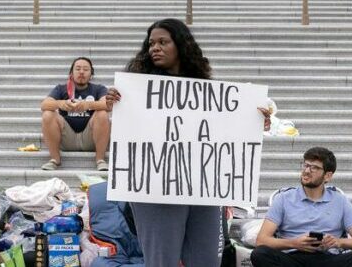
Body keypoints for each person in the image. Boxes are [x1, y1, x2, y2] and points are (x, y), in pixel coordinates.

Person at [105, 18, 271, 267]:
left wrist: (255, 122)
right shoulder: (135, 90)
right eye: (151, 43)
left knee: (206, 261)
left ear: (181, 45)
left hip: (202, 191)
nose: (155, 48)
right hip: (155, 190)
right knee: (162, 262)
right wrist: (116, 106)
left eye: (163, 42)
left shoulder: (208, 91)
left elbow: (227, 132)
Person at [250, 147, 352, 267]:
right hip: (292, 257)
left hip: (328, 258)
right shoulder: (283, 198)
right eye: (305, 165)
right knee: (260, 254)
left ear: (328, 176)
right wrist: (294, 243)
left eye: (314, 168)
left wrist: (338, 242)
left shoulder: (340, 201)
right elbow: (261, 240)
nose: (307, 171)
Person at [40, 57, 111, 171]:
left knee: (102, 113)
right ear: (71, 73)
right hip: (67, 138)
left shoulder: (99, 88)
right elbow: (44, 104)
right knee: (48, 114)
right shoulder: (61, 88)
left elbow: (107, 105)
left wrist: (88, 105)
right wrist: (62, 104)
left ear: (91, 74)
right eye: (78, 69)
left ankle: (100, 159)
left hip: (91, 138)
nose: (81, 72)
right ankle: (55, 159)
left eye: (86, 69)